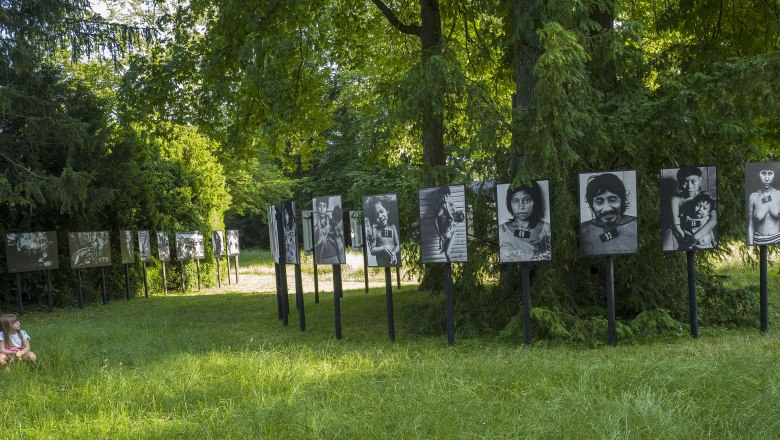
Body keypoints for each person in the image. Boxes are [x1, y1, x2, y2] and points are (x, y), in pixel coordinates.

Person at [580, 173, 638, 255]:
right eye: (599, 201)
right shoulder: (583, 231)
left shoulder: (636, 226)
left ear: (622, 200)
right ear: (591, 205)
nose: (607, 208)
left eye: (612, 199)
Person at [663, 167, 717, 251]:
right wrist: (686, 239)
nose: (689, 187)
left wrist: (695, 237)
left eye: (693, 181)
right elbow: (676, 225)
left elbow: (713, 220)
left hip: (701, 234)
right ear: (679, 182)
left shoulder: (705, 196)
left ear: (699, 180)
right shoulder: (676, 200)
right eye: (685, 182)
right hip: (682, 235)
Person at [498, 182, 551, 261]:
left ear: (535, 202)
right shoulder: (501, 230)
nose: (521, 206)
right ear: (510, 203)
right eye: (516, 201)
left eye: (526, 200)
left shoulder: (547, 229)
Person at [364, 196, 401, 266]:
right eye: (377, 215)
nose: (380, 216)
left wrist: (394, 253)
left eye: (381, 211)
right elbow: (372, 250)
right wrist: (383, 248)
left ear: (387, 211)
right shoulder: (375, 230)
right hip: (382, 263)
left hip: (394, 261)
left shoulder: (393, 227)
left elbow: (397, 246)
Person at [747, 168, 780, 245]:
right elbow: (750, 224)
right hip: (758, 241)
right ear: (758, 174)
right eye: (764, 174)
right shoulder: (753, 197)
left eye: (770, 174)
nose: (767, 179)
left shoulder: (779, 194)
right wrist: (751, 244)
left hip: (777, 240)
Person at [433, 185, 465, 262]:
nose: (445, 198)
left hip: (452, 232)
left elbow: (458, 220)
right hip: (444, 233)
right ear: (440, 196)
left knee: (447, 253)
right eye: (443, 196)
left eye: (447, 195)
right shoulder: (437, 207)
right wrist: (439, 233)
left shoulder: (452, 206)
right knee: (446, 253)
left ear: (449, 195)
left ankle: (450, 264)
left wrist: (454, 224)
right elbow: (435, 221)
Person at [314, 200, 345, 264]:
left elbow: (339, 243)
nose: (322, 209)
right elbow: (318, 244)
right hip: (322, 258)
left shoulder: (333, 223)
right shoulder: (318, 227)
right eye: (320, 206)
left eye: (324, 206)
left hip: (335, 256)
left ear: (327, 208)